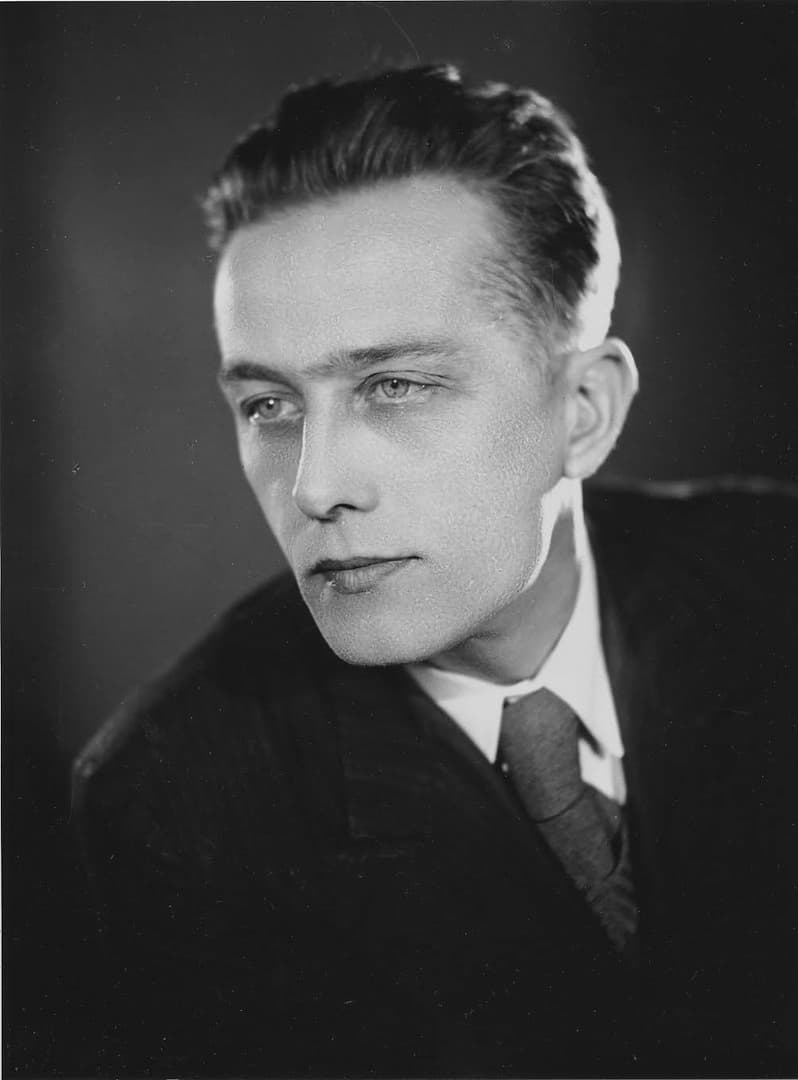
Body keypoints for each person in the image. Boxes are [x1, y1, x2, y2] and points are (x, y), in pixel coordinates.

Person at [72, 64, 797, 1076]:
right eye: (269, 405)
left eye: (396, 385)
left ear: (585, 410)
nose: (315, 486)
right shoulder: (178, 799)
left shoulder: (773, 578)